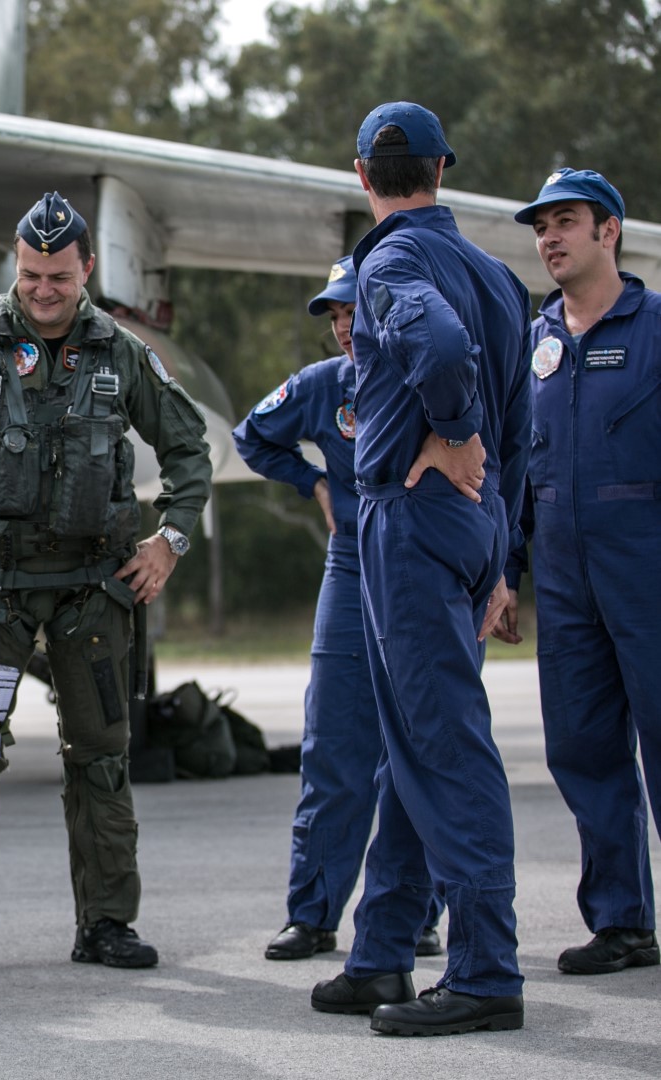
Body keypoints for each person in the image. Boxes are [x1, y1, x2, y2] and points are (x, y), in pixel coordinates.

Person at [0, 192, 212, 974]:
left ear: (87, 268)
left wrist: (169, 541)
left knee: (100, 758)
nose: (43, 290)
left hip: (93, 592)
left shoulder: (122, 354)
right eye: (30, 275)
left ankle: (106, 924)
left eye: (58, 276)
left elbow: (190, 451)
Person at [307, 102, 531, 1036]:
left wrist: (450, 431)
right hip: (472, 525)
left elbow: (439, 352)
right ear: (442, 167)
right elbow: (521, 435)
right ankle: (384, 952)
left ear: (363, 174)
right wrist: (502, 553)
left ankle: (486, 972)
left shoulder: (387, 262)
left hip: (411, 519)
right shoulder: (502, 277)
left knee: (444, 744)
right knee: (413, 739)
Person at [234, 257, 444, 963]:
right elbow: (251, 435)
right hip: (352, 570)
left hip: (420, 569)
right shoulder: (325, 388)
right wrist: (314, 480)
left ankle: (414, 910)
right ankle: (313, 913)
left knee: (417, 746)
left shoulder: (429, 379)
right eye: (336, 314)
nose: (346, 325)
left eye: (356, 309)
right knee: (333, 747)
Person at [501, 168, 661, 976]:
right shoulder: (537, 346)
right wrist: (506, 572)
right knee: (584, 749)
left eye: (567, 221)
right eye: (541, 226)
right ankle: (623, 922)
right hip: (565, 585)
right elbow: (517, 474)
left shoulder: (657, 327)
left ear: (610, 233)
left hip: (649, 574)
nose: (551, 238)